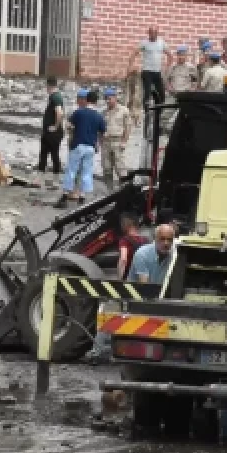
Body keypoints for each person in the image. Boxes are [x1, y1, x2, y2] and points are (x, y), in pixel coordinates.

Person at [86, 214, 150, 365]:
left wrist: (120, 280)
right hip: (144, 285)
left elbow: (123, 259)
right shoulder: (146, 241)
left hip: (129, 283)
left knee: (107, 313)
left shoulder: (125, 240)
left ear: (126, 226)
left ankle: (97, 352)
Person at [58, 89, 105, 209]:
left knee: (71, 170)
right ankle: (82, 197)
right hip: (90, 146)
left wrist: (74, 130)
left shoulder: (79, 112)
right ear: (96, 101)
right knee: (87, 172)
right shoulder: (99, 116)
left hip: (78, 145)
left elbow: (68, 125)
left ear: (87, 100)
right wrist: (98, 145)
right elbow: (102, 132)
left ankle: (64, 197)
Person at [101, 87, 132, 189]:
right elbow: (100, 128)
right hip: (105, 143)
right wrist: (99, 142)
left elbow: (128, 127)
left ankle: (124, 191)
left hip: (117, 141)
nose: (107, 101)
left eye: (109, 98)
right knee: (106, 168)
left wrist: (124, 142)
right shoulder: (103, 112)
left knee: (120, 167)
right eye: (106, 98)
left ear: (115, 98)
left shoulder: (124, 110)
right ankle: (109, 192)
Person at [131, 26, 169, 109]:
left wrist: (167, 67)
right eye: (151, 33)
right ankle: (146, 112)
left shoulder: (161, 43)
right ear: (148, 33)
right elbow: (134, 53)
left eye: (155, 33)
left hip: (157, 72)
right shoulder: (144, 43)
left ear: (157, 33)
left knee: (162, 93)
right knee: (147, 93)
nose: (153, 35)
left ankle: (159, 111)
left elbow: (170, 55)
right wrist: (132, 65)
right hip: (147, 71)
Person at [38, 77, 65, 190]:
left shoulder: (56, 97)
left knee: (54, 155)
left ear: (49, 85)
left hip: (53, 133)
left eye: (46, 86)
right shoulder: (53, 97)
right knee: (44, 154)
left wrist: (55, 126)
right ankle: (40, 180)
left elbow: (59, 112)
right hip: (49, 133)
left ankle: (55, 182)